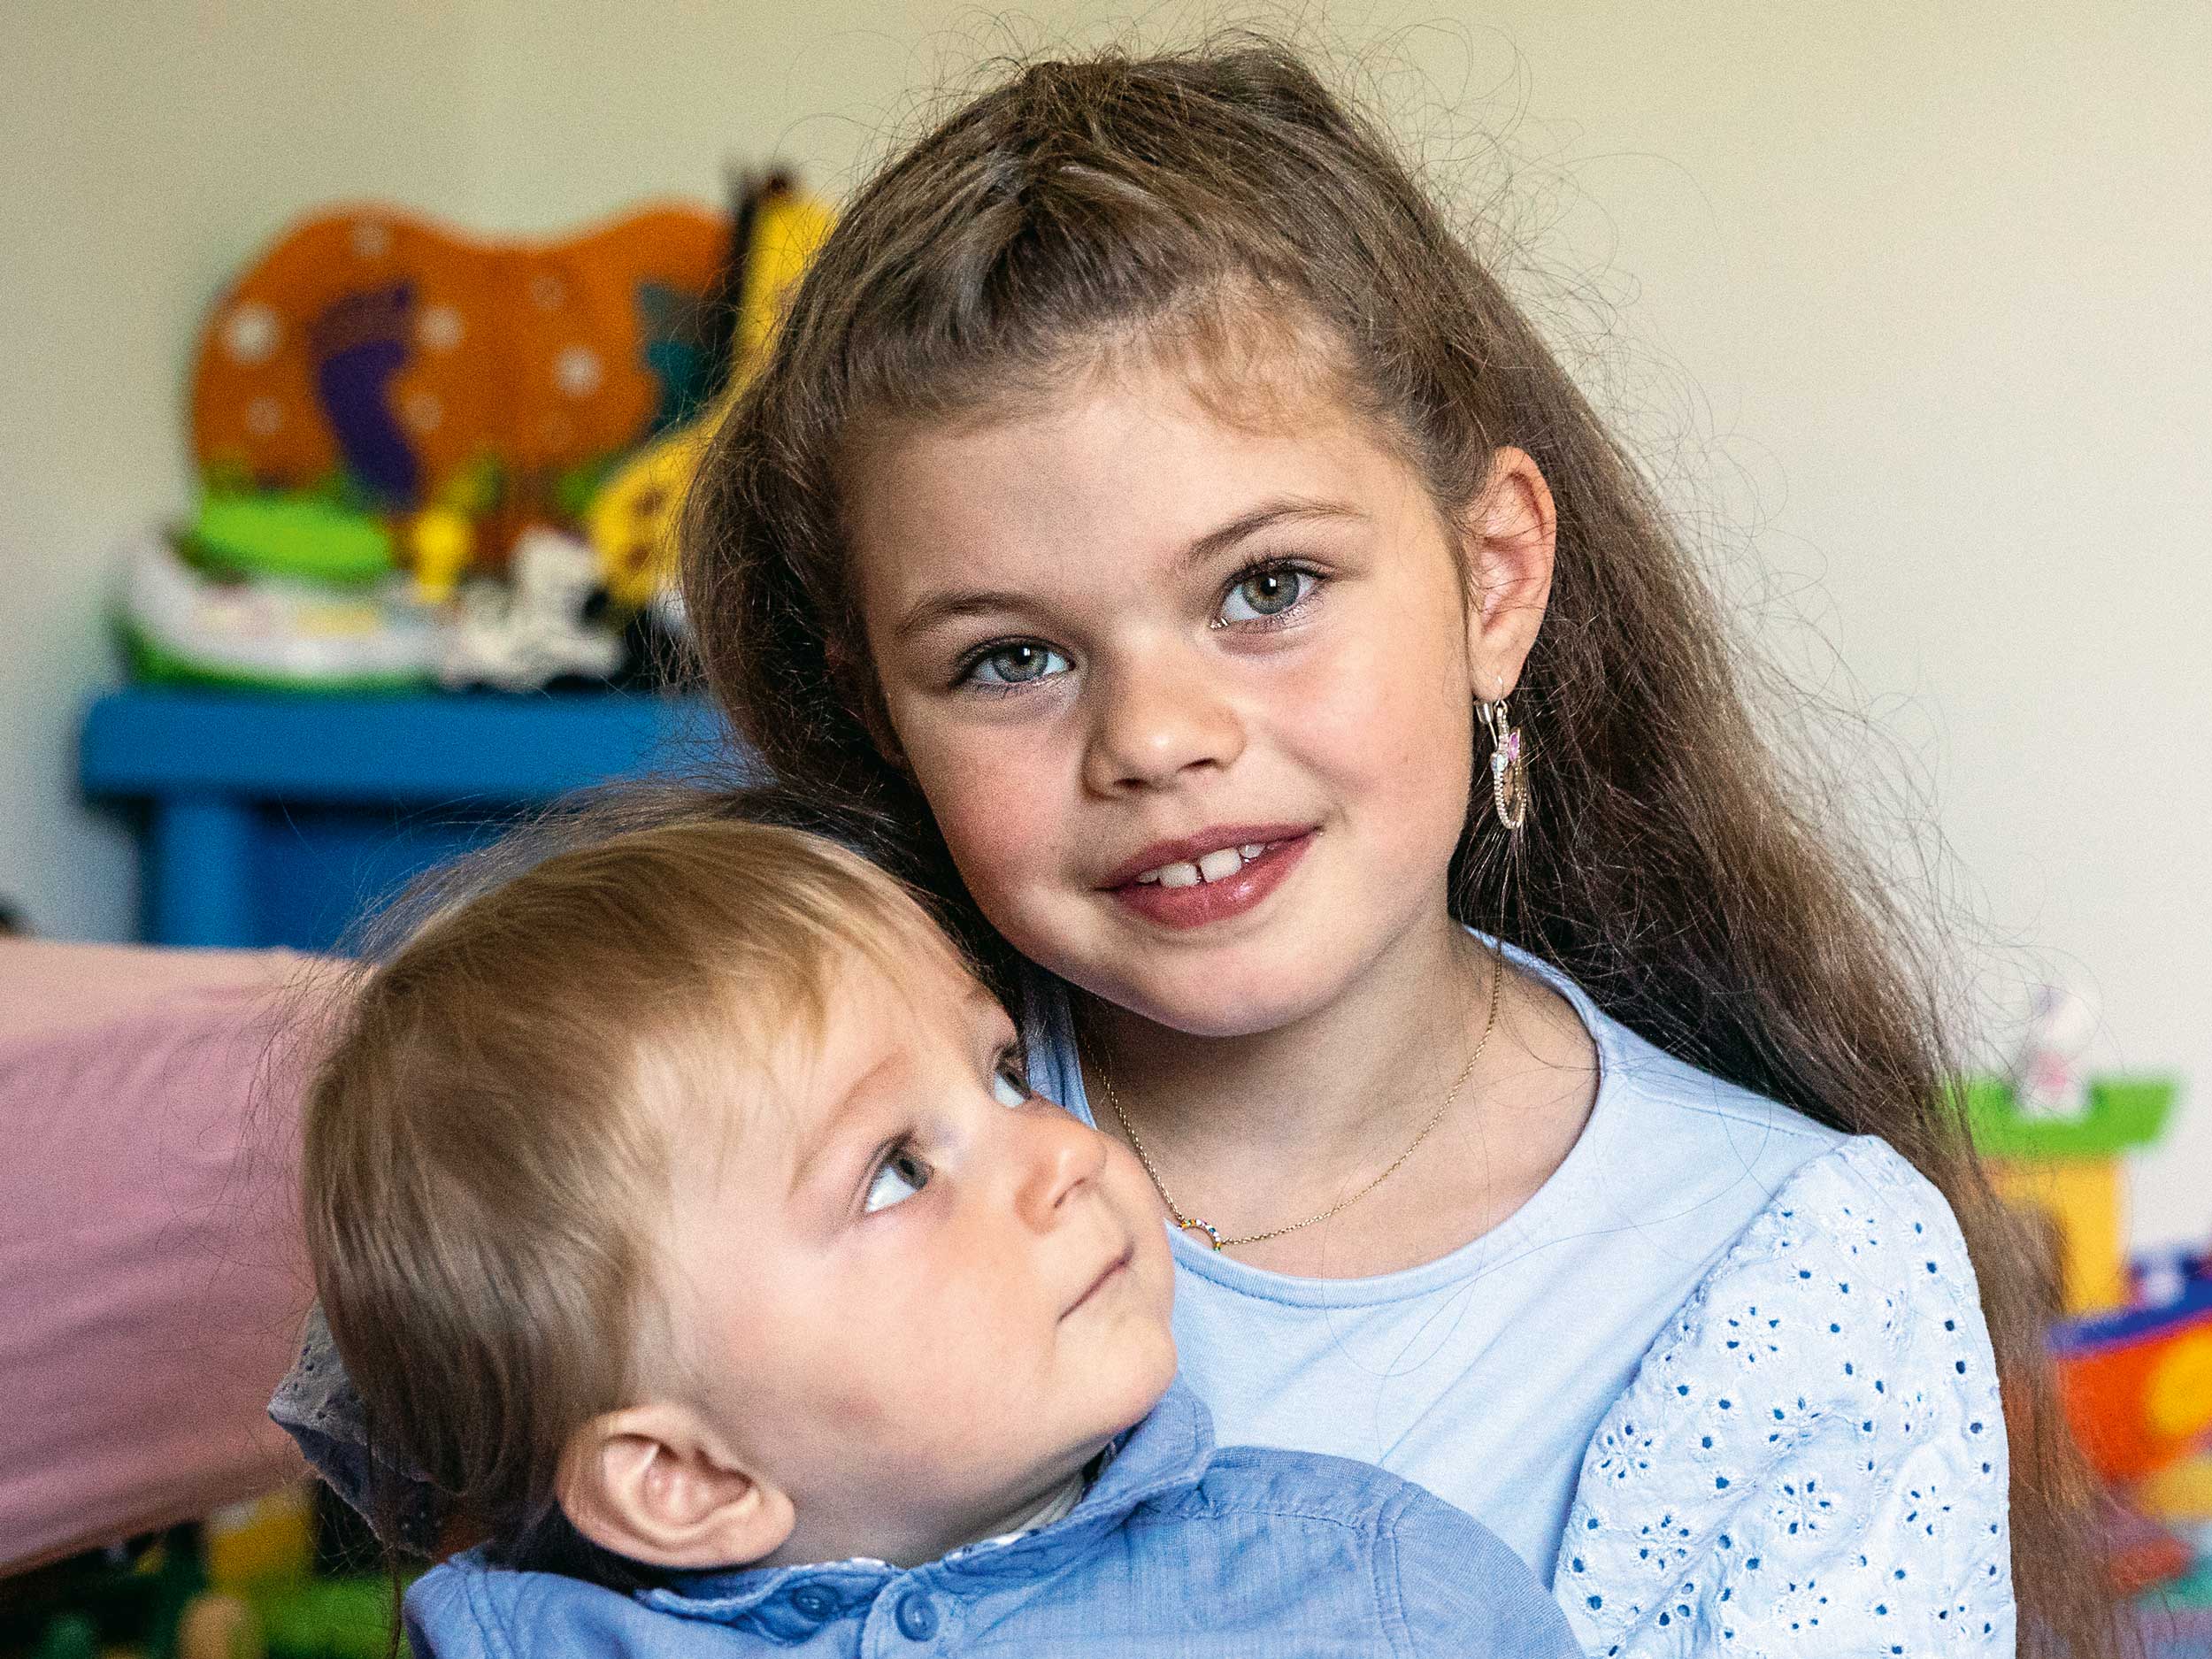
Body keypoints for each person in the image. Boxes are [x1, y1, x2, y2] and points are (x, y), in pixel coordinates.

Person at [277, 35, 2115, 1657]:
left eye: (1266, 586)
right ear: (879, 708)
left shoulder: (1789, 1279)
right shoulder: (708, 1112)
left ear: (1491, 580)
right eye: (1010, 658)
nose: (1155, 737)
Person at [300, 818, 1581, 1659]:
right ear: (685, 1481)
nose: (1061, 1151)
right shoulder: (513, 1640)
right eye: (898, 1173)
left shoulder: (1365, 1593)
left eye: (1007, 1075)